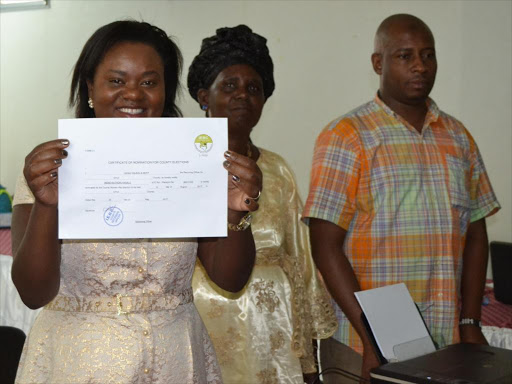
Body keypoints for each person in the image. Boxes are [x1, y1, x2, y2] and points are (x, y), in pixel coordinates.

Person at [11, 20, 263, 384]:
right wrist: (49, 205)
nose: (134, 94)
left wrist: (236, 211)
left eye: (149, 82)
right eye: (116, 80)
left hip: (177, 361)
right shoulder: (48, 169)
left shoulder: (193, 162)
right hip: (78, 365)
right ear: (90, 89)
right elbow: (33, 292)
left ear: (165, 91)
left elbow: (230, 278)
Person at [302, 14, 500, 383]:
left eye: (428, 55)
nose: (420, 66)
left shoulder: (458, 137)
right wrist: (372, 338)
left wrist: (470, 321)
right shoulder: (346, 136)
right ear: (378, 63)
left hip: (447, 343)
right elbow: (324, 247)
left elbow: (475, 233)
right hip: (364, 346)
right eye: (405, 56)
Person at [187, 25, 337, 384]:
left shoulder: (277, 169)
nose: (243, 95)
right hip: (203, 324)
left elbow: (300, 261)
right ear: (204, 96)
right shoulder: (181, 163)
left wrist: (310, 361)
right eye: (230, 86)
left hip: (273, 332)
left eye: (253, 88)